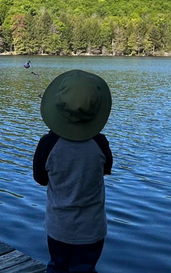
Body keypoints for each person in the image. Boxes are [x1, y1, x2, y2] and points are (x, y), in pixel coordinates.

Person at [33, 69, 113, 273]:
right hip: (92, 229)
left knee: (57, 267)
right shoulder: (100, 143)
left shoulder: (47, 144)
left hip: (58, 226)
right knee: (85, 269)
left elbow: (40, 179)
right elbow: (106, 169)